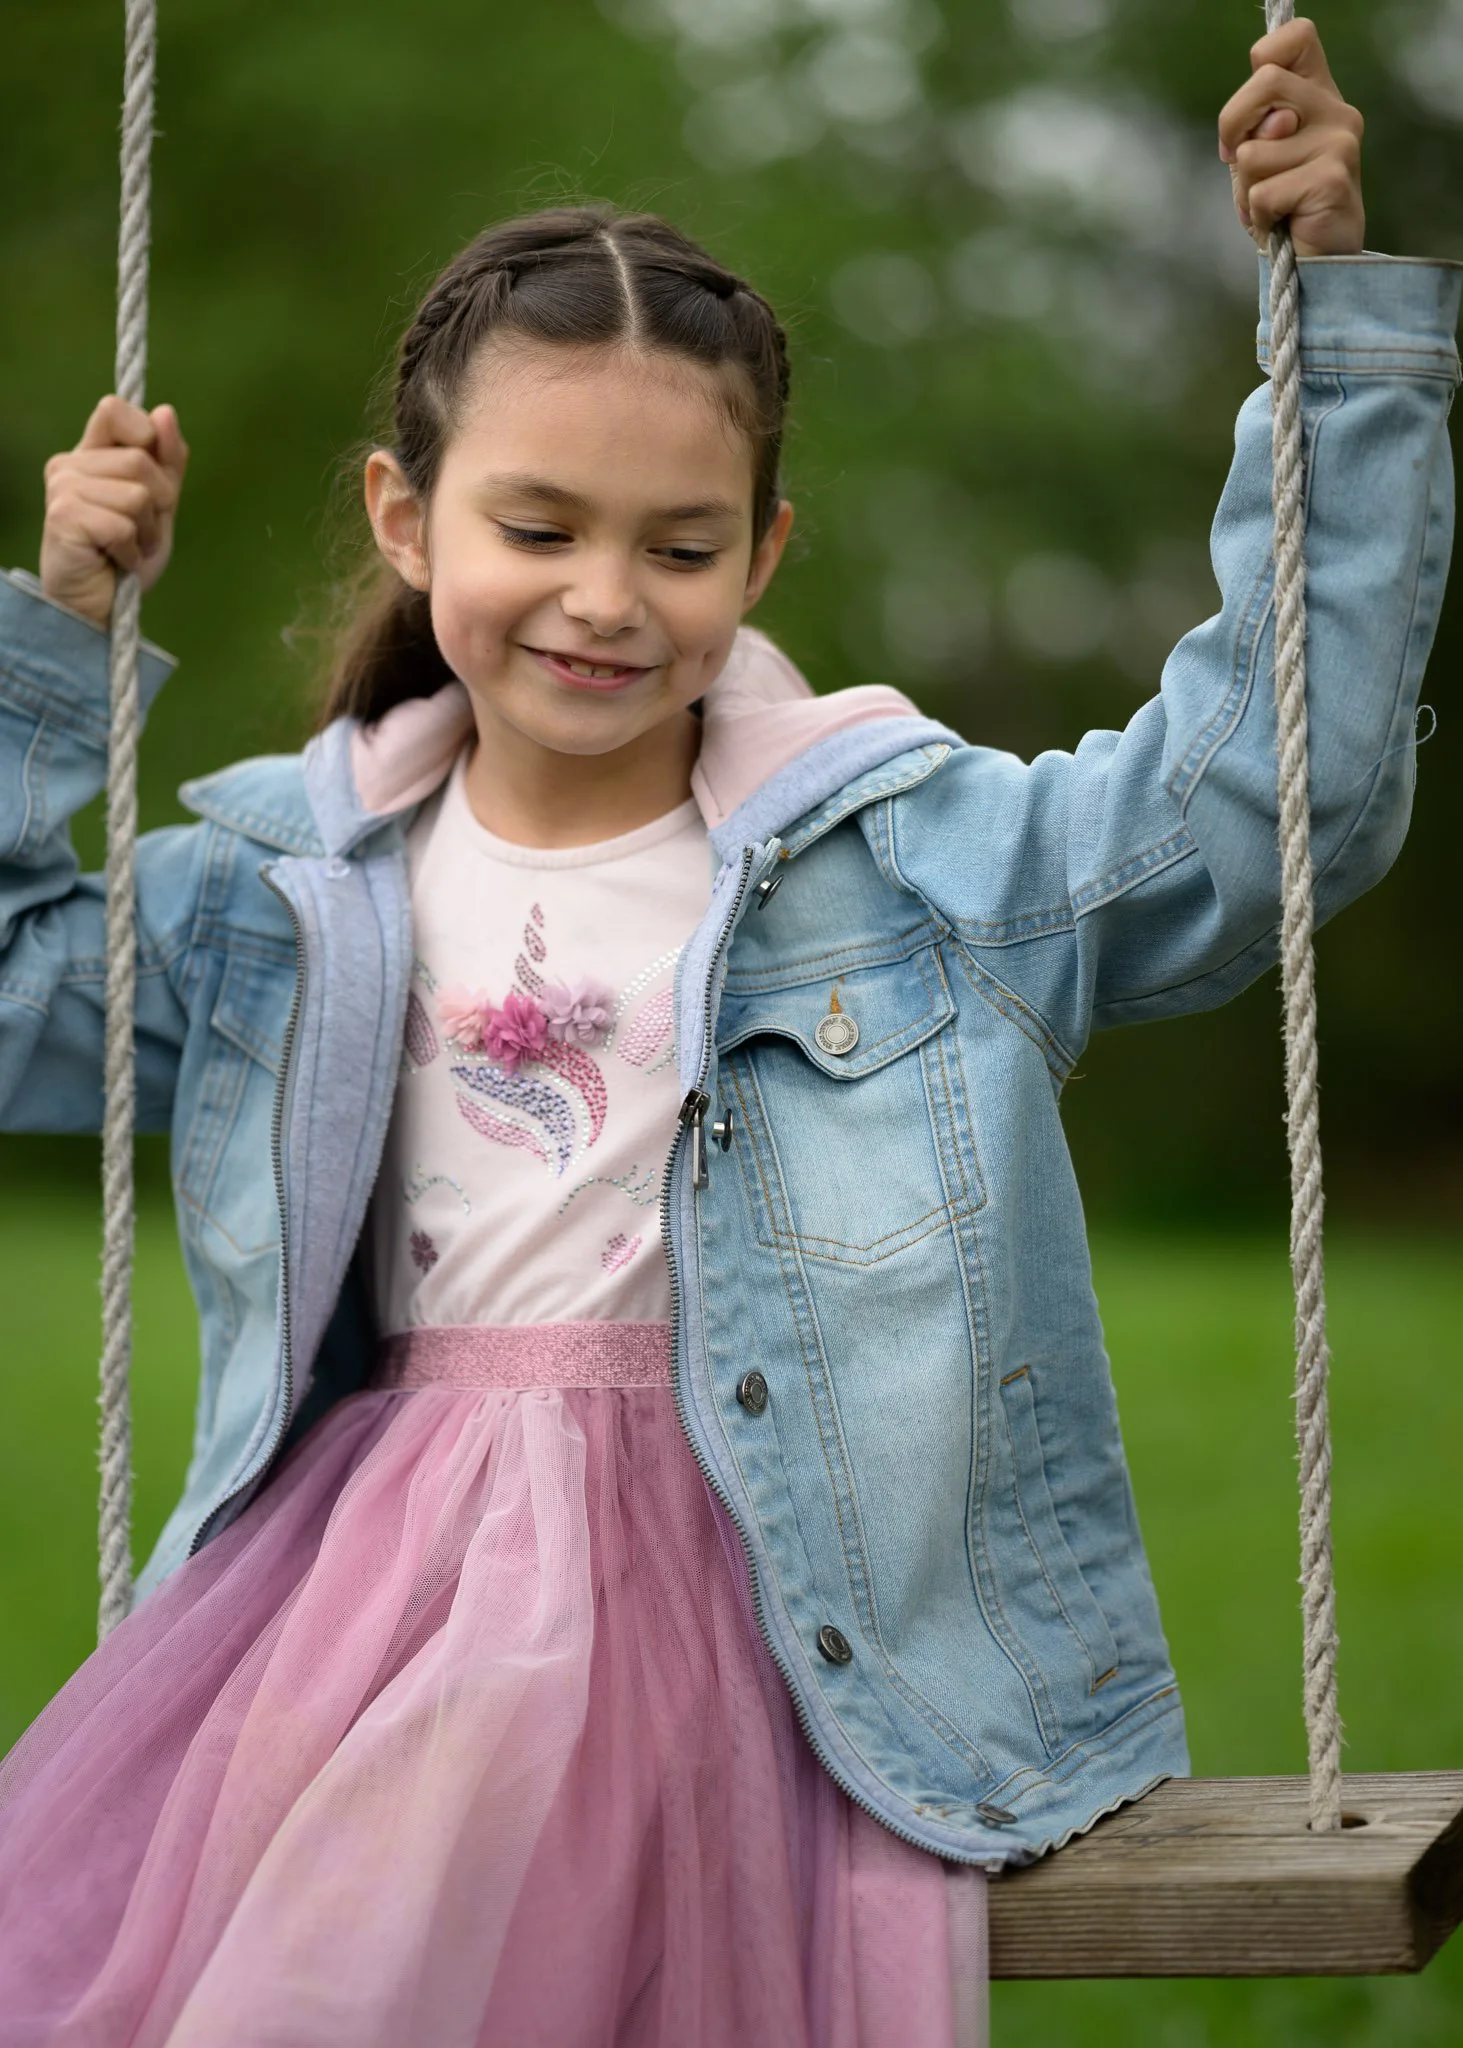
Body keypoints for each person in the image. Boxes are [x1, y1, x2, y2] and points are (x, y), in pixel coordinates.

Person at [0, 17, 1455, 2044]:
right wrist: (58, 638)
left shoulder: (912, 870)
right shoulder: (283, 901)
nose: (603, 596)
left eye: (676, 546)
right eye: (538, 526)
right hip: (381, 1606)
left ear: (757, 556)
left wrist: (1334, 355)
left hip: (773, 1615)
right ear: (407, 523)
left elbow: (1256, 808)